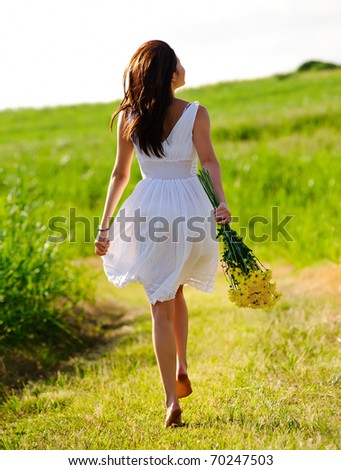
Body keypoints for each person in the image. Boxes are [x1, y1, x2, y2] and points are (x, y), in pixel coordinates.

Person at [94, 40, 231, 428]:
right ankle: (183, 364)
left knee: (160, 300)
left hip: (150, 208)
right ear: (170, 74)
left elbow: (120, 175)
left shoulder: (129, 117)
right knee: (177, 287)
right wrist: (221, 202)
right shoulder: (196, 113)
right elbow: (209, 161)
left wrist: (105, 226)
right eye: (179, 63)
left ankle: (171, 398)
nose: (184, 67)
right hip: (190, 208)